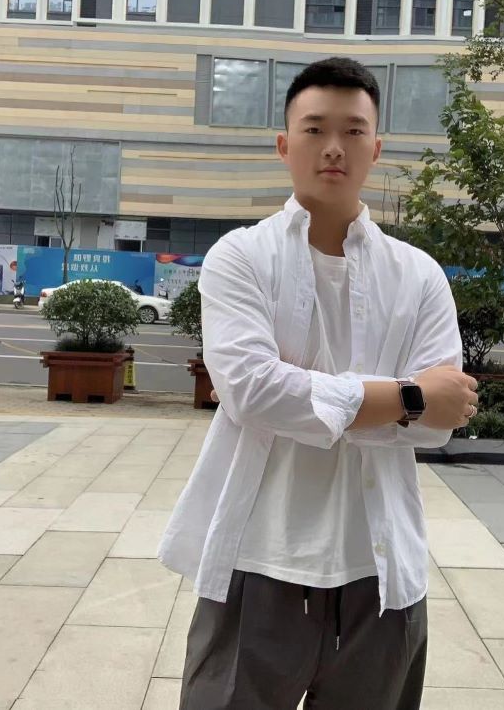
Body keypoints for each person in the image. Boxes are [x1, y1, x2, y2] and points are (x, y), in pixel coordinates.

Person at [159, 57, 478, 710]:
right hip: (258, 557)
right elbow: (253, 391)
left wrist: (318, 402)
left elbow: (442, 424)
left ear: (376, 147)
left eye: (354, 131)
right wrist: (408, 397)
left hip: (382, 570)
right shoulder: (241, 257)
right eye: (315, 129)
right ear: (285, 144)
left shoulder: (418, 276)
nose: (334, 147)